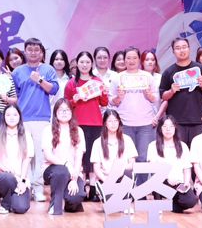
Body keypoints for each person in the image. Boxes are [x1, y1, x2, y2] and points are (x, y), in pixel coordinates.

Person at [10, 37, 58, 203]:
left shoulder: (48, 69)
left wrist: (39, 79)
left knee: (38, 156)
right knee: (23, 155)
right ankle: (23, 186)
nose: (33, 52)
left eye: (36, 50)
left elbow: (54, 89)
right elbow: (15, 96)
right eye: (29, 49)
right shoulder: (17, 72)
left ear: (42, 53)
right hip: (22, 119)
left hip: (42, 119)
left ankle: (37, 189)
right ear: (25, 51)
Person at [107, 47, 157, 177]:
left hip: (145, 123)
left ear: (139, 59)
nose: (131, 60)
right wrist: (118, 96)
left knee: (143, 157)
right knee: (126, 157)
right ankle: (128, 186)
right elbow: (111, 101)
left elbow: (156, 98)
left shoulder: (147, 77)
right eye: (128, 58)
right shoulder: (118, 78)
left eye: (134, 58)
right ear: (124, 59)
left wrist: (149, 94)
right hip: (125, 123)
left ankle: (141, 187)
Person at [158, 37, 202, 147]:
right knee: (179, 151)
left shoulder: (200, 68)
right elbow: (163, 96)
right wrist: (171, 91)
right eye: (178, 48)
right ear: (173, 52)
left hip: (197, 118)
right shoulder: (168, 72)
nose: (182, 50)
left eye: (184, 47)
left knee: (197, 151)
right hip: (176, 120)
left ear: (189, 49)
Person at [64, 50, 107, 190]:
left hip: (95, 123)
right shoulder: (71, 83)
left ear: (91, 64)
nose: (84, 65)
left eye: (87, 62)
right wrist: (74, 100)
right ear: (77, 64)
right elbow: (65, 105)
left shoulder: (97, 81)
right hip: (77, 124)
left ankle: (94, 189)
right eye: (81, 62)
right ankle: (80, 186)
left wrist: (104, 93)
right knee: (80, 156)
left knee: (93, 156)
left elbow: (104, 103)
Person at [0, 104, 33, 215]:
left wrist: (22, 181)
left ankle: (12, 198)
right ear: (4, 117)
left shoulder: (26, 135)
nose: (11, 117)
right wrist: (5, 169)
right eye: (8, 115)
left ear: (19, 117)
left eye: (15, 115)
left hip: (19, 178)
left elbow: (26, 160)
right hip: (0, 175)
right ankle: (5, 204)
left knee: (21, 208)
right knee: (8, 178)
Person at [41, 100, 86, 215]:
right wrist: (66, 164)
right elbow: (48, 155)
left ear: (72, 112)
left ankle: (70, 203)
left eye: (67, 110)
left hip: (73, 172)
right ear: (55, 113)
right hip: (52, 169)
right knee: (62, 171)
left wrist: (74, 179)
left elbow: (79, 158)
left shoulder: (79, 131)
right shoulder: (48, 129)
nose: (64, 112)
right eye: (61, 110)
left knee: (76, 196)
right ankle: (54, 205)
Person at [148, 117, 199, 213]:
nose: (168, 129)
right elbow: (153, 167)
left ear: (175, 128)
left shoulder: (183, 146)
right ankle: (158, 202)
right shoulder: (153, 145)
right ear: (160, 128)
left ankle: (172, 206)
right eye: (165, 126)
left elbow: (187, 168)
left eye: (171, 126)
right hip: (162, 180)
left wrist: (186, 183)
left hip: (178, 182)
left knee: (190, 201)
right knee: (156, 180)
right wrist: (168, 176)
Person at [90, 109, 137, 199]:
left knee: (129, 174)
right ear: (105, 123)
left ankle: (125, 200)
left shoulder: (127, 139)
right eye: (110, 121)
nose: (113, 123)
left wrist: (120, 170)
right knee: (111, 203)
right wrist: (107, 180)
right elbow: (96, 168)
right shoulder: (97, 142)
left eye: (116, 121)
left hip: (122, 176)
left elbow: (132, 164)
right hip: (105, 178)